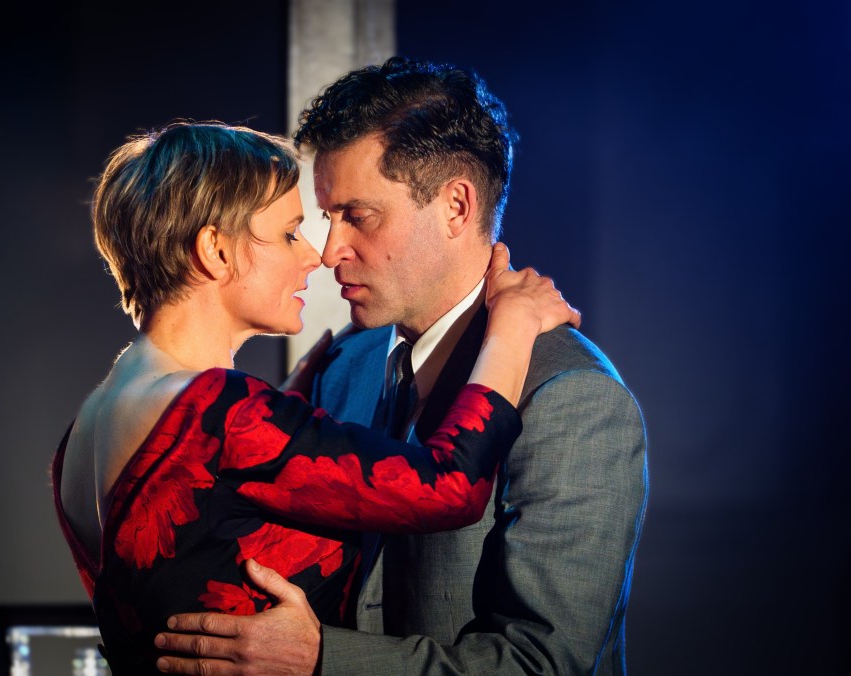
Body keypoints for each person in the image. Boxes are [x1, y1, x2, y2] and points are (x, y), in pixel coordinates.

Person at [154, 59, 648, 675]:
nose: (330, 252)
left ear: (456, 207)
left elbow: (541, 666)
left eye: (358, 216)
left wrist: (324, 659)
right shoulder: (343, 364)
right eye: (327, 218)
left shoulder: (573, 399)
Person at [52, 121, 580, 674]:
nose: (315, 256)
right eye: (289, 234)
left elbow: (197, 542)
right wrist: (512, 325)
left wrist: (285, 407)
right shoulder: (222, 411)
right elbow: (451, 487)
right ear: (215, 251)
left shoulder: (89, 428)